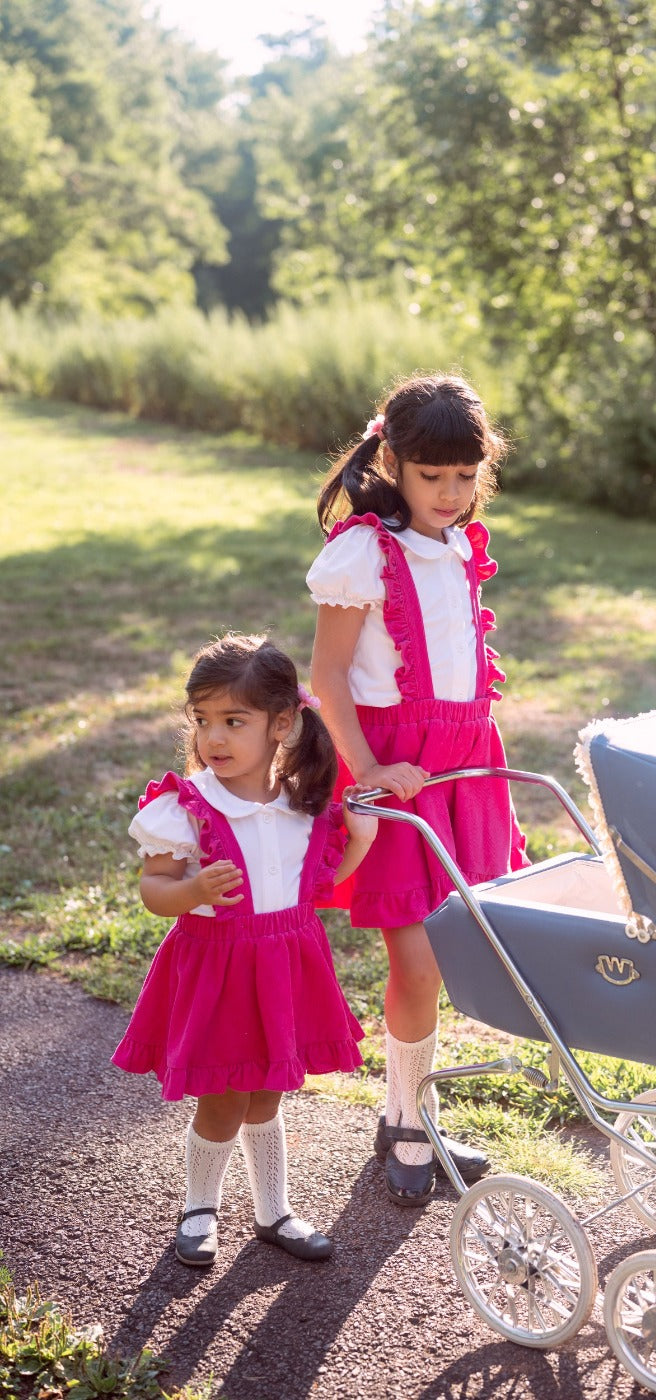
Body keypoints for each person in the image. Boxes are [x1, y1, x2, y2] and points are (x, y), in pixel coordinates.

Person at [306, 373, 528, 1208]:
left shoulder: (459, 545)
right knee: (418, 957)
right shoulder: (362, 553)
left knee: (455, 947)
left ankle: (414, 1111)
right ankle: (402, 1121)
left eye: (466, 476)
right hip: (394, 772)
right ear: (391, 462)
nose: (450, 493)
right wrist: (367, 772)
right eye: (432, 476)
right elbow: (329, 676)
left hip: (463, 768)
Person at [112, 633, 376, 1267]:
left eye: (234, 721)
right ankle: (199, 1207)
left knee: (268, 1091)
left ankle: (273, 1210)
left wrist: (362, 836)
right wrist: (192, 890)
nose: (214, 737)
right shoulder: (187, 807)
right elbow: (153, 889)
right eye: (202, 720)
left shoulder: (301, 804)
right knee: (225, 1094)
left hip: (286, 965)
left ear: (281, 723)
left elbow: (318, 883)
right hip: (220, 970)